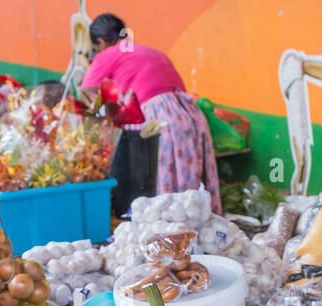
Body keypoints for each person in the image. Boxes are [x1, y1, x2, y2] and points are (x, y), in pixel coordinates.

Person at [81, 13, 221, 214]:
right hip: (189, 116)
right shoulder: (152, 51)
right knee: (187, 179)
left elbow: (87, 92)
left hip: (155, 115)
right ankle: (196, 218)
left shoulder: (106, 55)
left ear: (101, 42)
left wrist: (100, 116)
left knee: (153, 177)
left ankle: (164, 223)